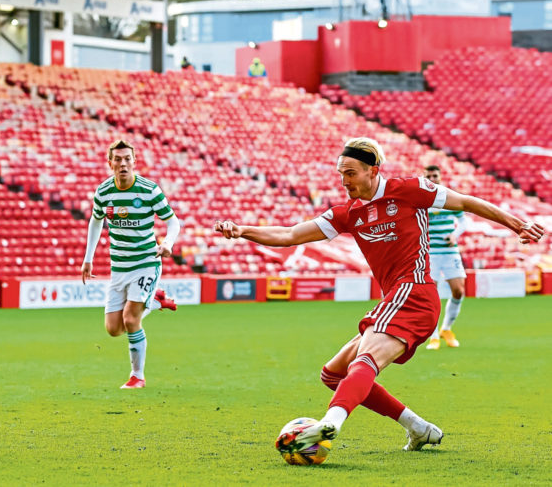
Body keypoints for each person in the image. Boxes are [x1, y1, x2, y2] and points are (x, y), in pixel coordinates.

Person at [214, 137, 544, 452]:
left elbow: (466, 201)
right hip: (397, 299)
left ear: (373, 171)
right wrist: (243, 230)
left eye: (350, 173)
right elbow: (289, 235)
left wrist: (517, 225)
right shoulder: (347, 213)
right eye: (341, 174)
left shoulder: (410, 190)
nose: (344, 181)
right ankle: (418, 427)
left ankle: (330, 423)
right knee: (333, 374)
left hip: (414, 293)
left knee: (365, 361)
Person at [81, 140, 181, 389]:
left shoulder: (149, 190)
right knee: (113, 329)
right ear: (110, 163)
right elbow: (96, 221)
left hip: (146, 262)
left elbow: (173, 221)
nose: (123, 163)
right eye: (118, 159)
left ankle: (138, 376)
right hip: (119, 267)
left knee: (130, 319)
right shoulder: (103, 192)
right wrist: (88, 258)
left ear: (134, 162)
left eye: (127, 159)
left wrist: (168, 243)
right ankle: (155, 301)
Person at [423, 165, 467, 350]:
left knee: (458, 291)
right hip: (430, 253)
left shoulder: (448, 197)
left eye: (435, 175)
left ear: (440, 177)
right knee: (431, 295)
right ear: (425, 178)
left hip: (450, 252)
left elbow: (463, 220)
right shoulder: (421, 200)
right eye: (429, 176)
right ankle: (433, 336)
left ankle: (446, 329)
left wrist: (455, 235)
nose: (433, 179)